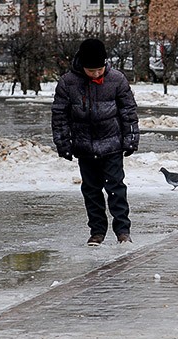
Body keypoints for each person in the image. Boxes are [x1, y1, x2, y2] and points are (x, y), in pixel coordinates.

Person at [52, 38, 140, 246]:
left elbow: (128, 112)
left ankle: (123, 231)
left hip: (112, 144)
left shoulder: (117, 79)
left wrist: (131, 139)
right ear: (82, 66)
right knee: (91, 190)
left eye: (100, 69)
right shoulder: (68, 83)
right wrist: (63, 144)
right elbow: (59, 116)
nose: (97, 74)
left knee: (116, 188)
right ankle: (97, 231)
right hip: (84, 146)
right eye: (92, 71)